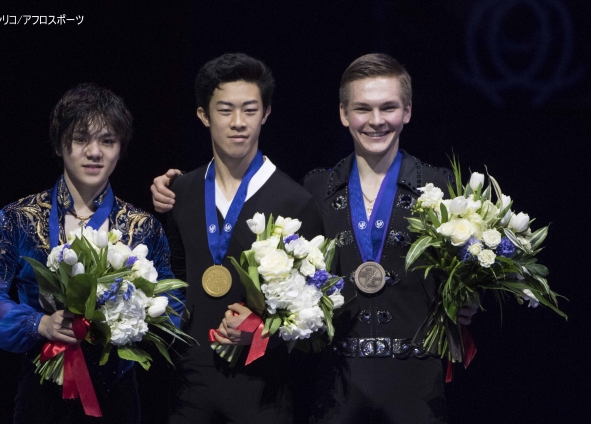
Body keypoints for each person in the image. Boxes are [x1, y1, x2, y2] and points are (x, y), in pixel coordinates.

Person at [152, 53, 477, 423]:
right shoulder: (316, 188)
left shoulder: (441, 187)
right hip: (336, 385)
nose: (375, 120)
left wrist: (468, 300)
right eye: (362, 108)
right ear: (343, 114)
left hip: (418, 383)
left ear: (407, 111)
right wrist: (173, 186)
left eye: (388, 107)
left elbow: (465, 271)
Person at [0, 83, 183, 423]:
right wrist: (39, 323)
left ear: (120, 149)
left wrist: (129, 321)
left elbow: (172, 307)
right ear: (59, 145)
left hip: (117, 394)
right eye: (81, 138)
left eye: (108, 141)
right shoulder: (19, 218)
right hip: (41, 393)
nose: (94, 152)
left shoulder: (142, 227)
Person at [159, 53, 323, 423]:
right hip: (190, 385)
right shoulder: (180, 192)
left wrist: (265, 332)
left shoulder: (295, 201)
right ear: (203, 115)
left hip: (262, 388)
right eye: (225, 110)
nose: (238, 123)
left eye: (249, 110)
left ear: (265, 113)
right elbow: (174, 275)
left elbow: (315, 306)